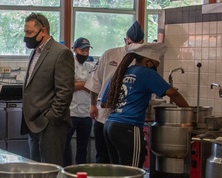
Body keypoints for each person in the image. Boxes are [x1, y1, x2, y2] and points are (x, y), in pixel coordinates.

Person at [99, 41, 189, 167]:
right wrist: (189, 111)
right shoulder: (146, 73)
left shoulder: (122, 71)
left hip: (109, 126)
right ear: (148, 61)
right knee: (132, 170)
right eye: (155, 65)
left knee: (118, 171)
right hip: (129, 128)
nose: (155, 69)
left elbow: (104, 103)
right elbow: (173, 93)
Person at [86, 20, 145, 163]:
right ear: (125, 40)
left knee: (122, 162)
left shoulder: (143, 60)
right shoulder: (109, 55)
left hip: (126, 121)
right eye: (130, 43)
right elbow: (95, 82)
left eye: (138, 44)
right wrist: (93, 104)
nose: (134, 47)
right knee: (103, 158)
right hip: (104, 116)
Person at [20, 12, 74, 165]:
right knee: (36, 171)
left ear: (43, 31)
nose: (26, 36)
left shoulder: (61, 53)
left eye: (29, 32)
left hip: (50, 125)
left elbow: (65, 91)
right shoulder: (35, 52)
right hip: (33, 123)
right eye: (25, 32)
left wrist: (51, 118)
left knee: (51, 171)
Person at [65, 37, 95, 166]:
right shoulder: (68, 65)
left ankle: (80, 173)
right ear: (75, 49)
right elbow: (69, 86)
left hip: (86, 113)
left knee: (82, 148)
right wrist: (85, 84)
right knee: (65, 145)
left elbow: (94, 87)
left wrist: (79, 83)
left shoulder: (90, 67)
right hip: (70, 112)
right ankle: (65, 170)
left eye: (87, 50)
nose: (85, 53)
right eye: (82, 50)